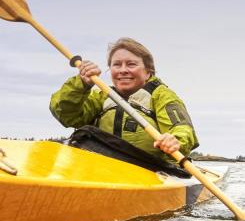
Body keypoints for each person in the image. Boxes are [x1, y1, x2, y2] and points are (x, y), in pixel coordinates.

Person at [50, 37, 198, 162]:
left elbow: (183, 129)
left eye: (131, 64)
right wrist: (81, 83)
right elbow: (65, 115)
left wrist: (175, 140)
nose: (123, 70)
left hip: (152, 169)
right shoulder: (100, 96)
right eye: (117, 65)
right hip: (104, 168)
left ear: (148, 72)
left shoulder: (161, 96)